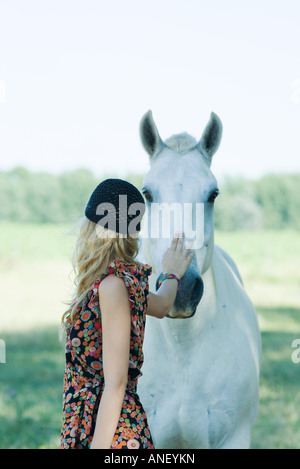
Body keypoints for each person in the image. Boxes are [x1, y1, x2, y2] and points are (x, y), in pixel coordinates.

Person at [60, 178, 194, 449]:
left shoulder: (113, 286)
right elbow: (163, 305)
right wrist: (171, 273)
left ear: (93, 229)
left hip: (108, 431)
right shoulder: (122, 281)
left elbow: (117, 383)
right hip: (97, 423)